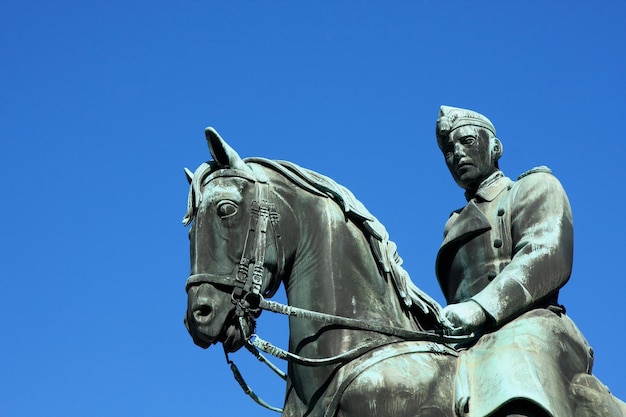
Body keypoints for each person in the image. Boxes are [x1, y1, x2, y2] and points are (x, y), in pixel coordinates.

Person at [434, 105, 601, 417]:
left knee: (511, 361)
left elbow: (546, 253)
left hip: (534, 323)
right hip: (467, 340)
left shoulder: (533, 187)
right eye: (448, 150)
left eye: (467, 142)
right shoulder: (453, 223)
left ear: (495, 147)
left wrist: (480, 308)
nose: (457, 155)